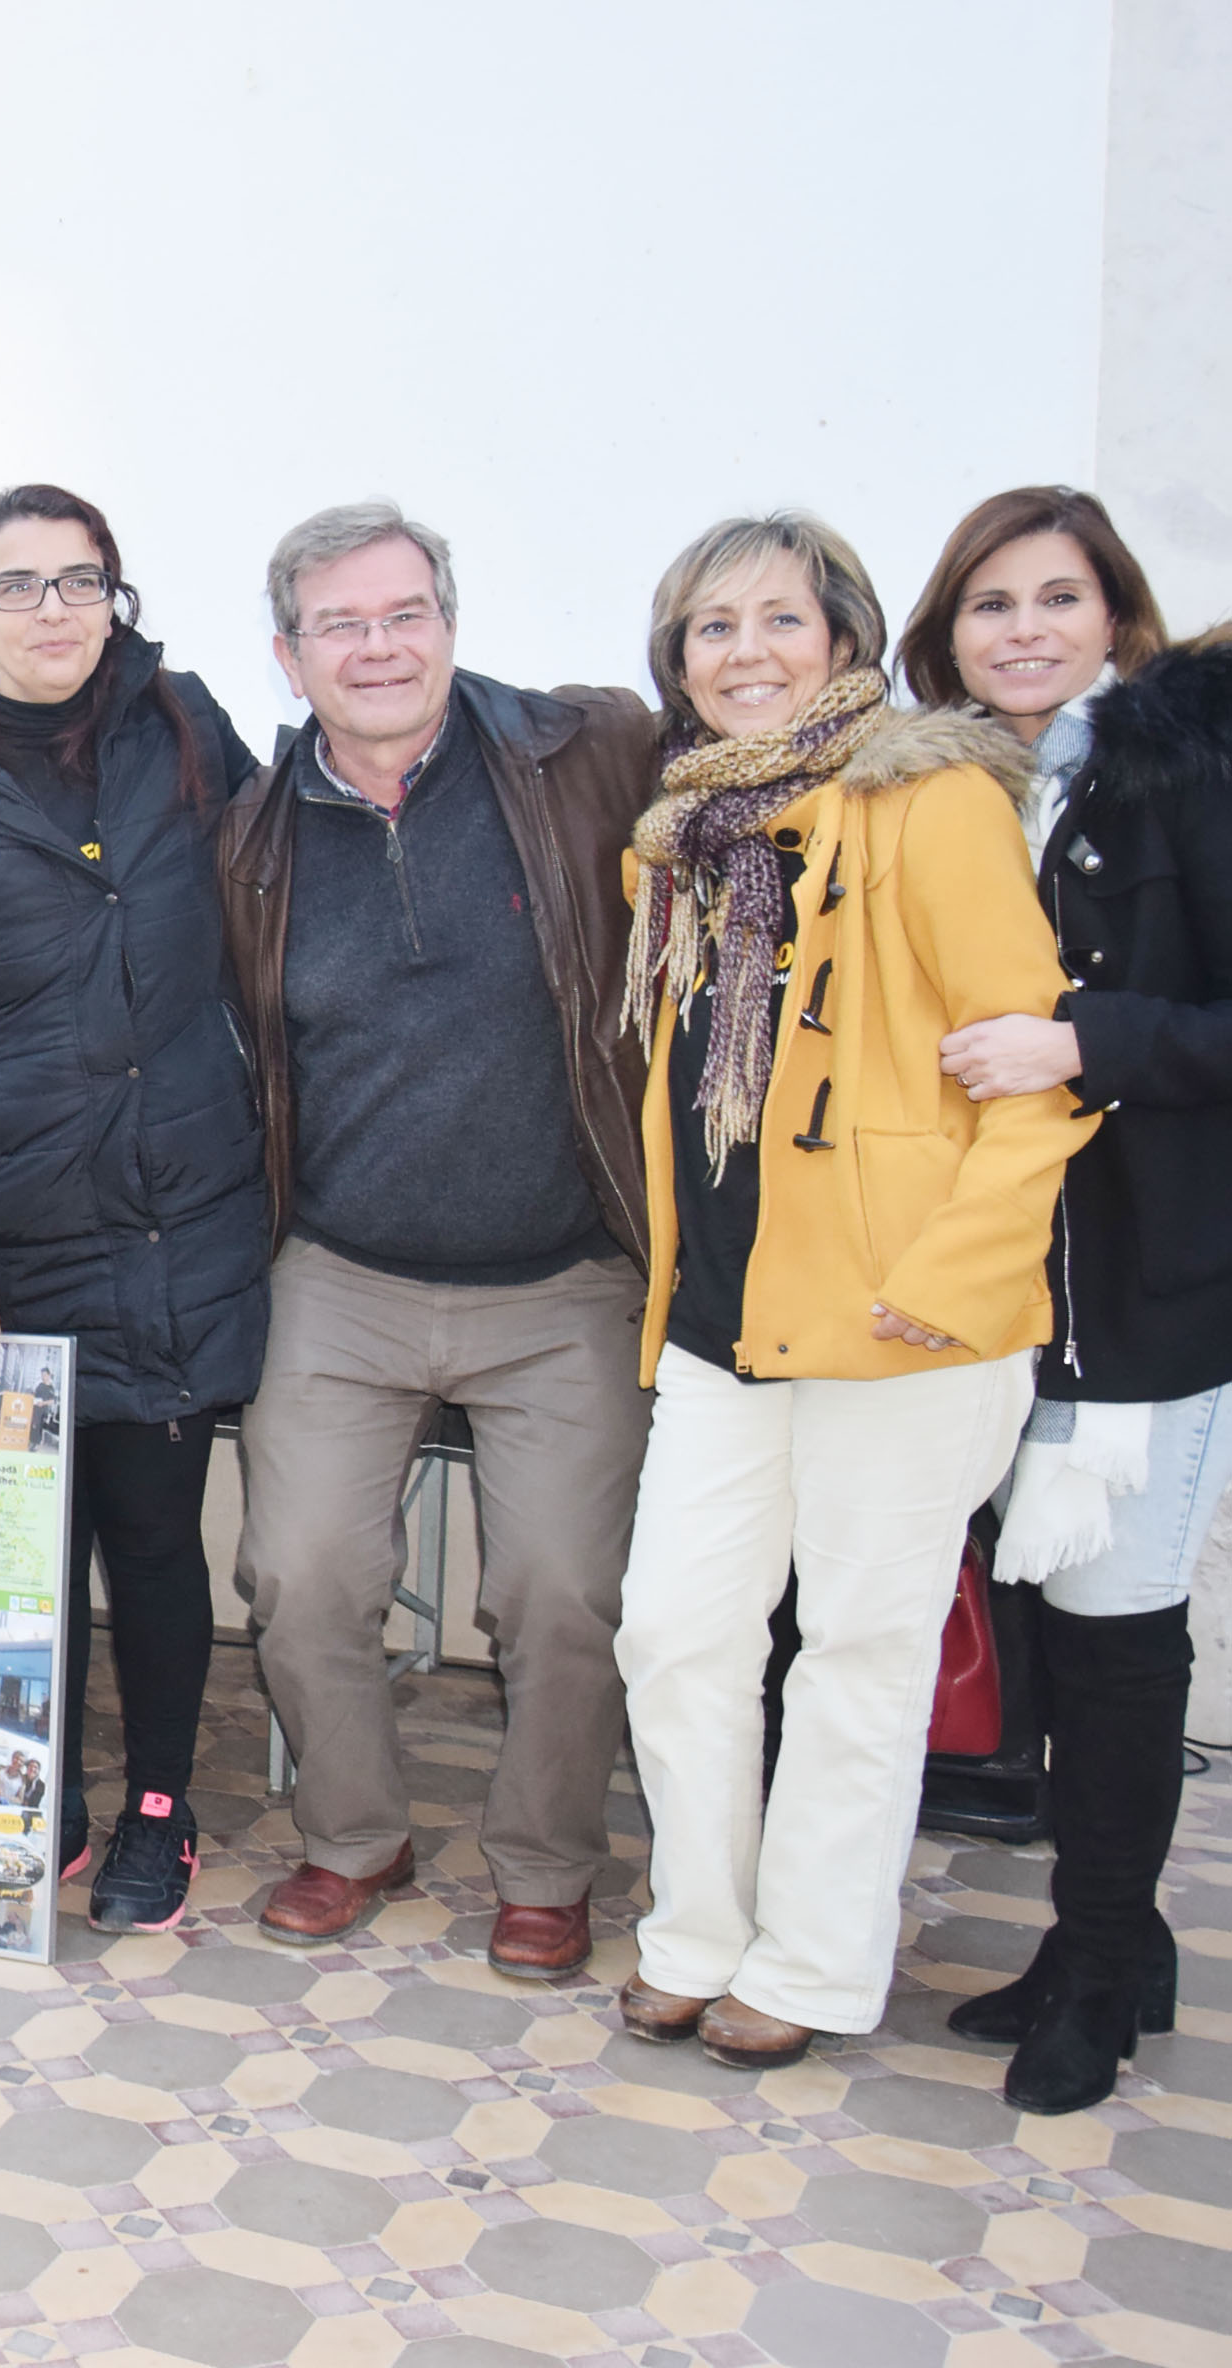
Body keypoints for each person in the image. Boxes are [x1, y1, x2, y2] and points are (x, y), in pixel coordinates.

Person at [608, 515, 1096, 2072]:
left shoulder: (925, 799)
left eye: (777, 619)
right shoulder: (687, 840)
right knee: (672, 1633)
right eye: (711, 627)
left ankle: (810, 1967)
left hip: (900, 1322)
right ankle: (696, 1932)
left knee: (856, 1657)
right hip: (721, 1319)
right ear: (677, 663)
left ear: (841, 639)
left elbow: (1033, 1067)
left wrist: (950, 1279)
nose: (744, 652)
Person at [216, 503, 662, 1980]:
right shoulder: (252, 837)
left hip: (563, 1275)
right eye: (338, 624)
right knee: (297, 1575)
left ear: (450, 625)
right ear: (288, 655)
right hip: (340, 1272)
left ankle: (544, 1866)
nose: (376, 646)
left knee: (559, 1593)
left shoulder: (583, 758)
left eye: (403, 613)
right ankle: (353, 1837)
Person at [0, 482, 265, 1938]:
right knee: (26, 1542)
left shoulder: (182, 726)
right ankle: (48, 1799)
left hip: (178, 1209)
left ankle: (160, 1803)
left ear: (114, 594)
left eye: (80, 582)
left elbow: (267, 911)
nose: (53, 612)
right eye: (17, 586)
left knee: (152, 1533)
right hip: (8, 1228)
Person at [904, 491, 1210, 2113]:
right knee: (1030, 1612)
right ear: (943, 635)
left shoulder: (1179, 772)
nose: (1021, 629)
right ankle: (1110, 1936)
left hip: (1139, 1289)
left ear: (1113, 617)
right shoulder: (946, 792)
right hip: (993, 1281)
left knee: (1112, 1631)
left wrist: (1085, 1041)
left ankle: (1094, 1969)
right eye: (988, 604)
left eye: (1055, 598)